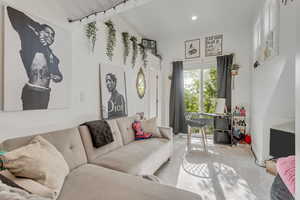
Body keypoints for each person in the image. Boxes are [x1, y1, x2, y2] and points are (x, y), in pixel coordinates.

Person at [7, 7, 63, 110]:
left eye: (52, 35)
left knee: (41, 119)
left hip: (46, 93)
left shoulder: (53, 57)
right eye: (47, 32)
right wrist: (37, 27)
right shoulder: (29, 40)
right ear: (39, 32)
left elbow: (59, 75)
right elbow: (12, 12)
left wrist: (57, 77)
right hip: (32, 91)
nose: (49, 36)